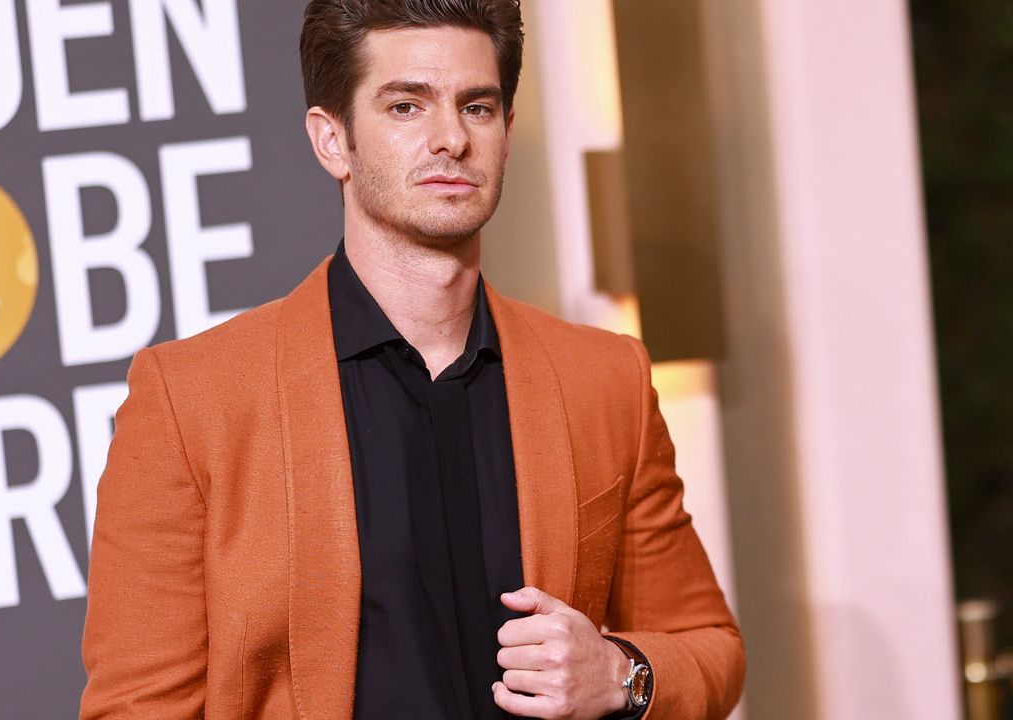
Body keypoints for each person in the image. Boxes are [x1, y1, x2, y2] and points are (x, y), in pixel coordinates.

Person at [79, 1, 745, 718]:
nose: (451, 139)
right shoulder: (192, 401)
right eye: (406, 106)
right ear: (332, 140)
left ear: (507, 133)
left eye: (478, 107)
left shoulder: (601, 379)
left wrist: (619, 673)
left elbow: (708, 645)